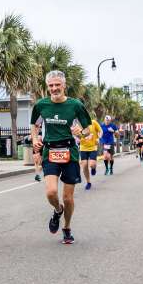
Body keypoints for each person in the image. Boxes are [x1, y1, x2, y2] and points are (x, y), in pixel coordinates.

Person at [31, 70, 92, 244]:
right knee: (51, 192)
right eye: (51, 85)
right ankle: (58, 210)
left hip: (70, 152)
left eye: (57, 85)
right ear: (47, 87)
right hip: (50, 152)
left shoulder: (75, 105)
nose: (54, 88)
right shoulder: (41, 105)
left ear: (64, 86)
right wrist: (35, 139)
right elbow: (34, 126)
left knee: (68, 197)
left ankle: (66, 227)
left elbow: (88, 129)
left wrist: (80, 132)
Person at [77, 114, 102, 190]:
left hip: (93, 147)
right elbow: (78, 136)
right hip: (83, 148)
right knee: (84, 166)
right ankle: (88, 182)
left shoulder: (93, 122)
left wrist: (99, 138)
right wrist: (77, 137)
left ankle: (93, 168)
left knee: (92, 165)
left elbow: (100, 131)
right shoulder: (79, 126)